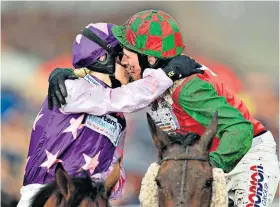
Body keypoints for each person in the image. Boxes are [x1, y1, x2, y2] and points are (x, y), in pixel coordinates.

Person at [47, 10, 280, 206]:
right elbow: (106, 86)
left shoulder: (188, 89)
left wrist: (208, 168)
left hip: (246, 159)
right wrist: (73, 74)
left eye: (127, 53)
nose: (123, 60)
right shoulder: (146, 78)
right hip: (197, 164)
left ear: (149, 59)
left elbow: (240, 129)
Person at [19, 22, 196, 207]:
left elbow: (113, 178)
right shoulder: (70, 88)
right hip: (46, 197)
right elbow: (124, 98)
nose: (128, 64)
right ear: (103, 58)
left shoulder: (118, 117)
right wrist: (167, 74)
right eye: (123, 57)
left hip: (89, 200)